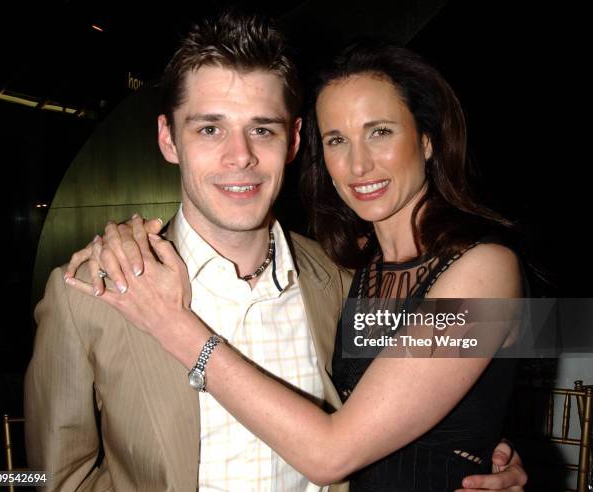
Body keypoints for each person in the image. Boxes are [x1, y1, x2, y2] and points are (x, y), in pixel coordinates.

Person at [27, 11, 526, 492]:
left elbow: (495, 349)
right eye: (209, 128)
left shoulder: (338, 279)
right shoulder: (90, 290)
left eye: (262, 129)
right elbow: (33, 478)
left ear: (292, 142)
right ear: (168, 139)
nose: (240, 155)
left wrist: (479, 445)